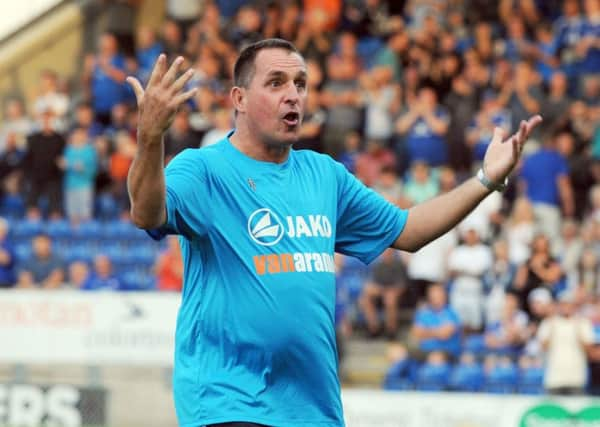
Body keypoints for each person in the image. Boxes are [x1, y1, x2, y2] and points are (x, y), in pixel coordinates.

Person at [125, 39, 541, 427]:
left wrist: (485, 179)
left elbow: (408, 230)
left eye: (301, 84)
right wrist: (149, 138)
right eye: (276, 83)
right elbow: (146, 212)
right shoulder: (203, 170)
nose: (294, 95)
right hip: (227, 399)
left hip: (312, 408)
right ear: (239, 99)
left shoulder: (324, 175)